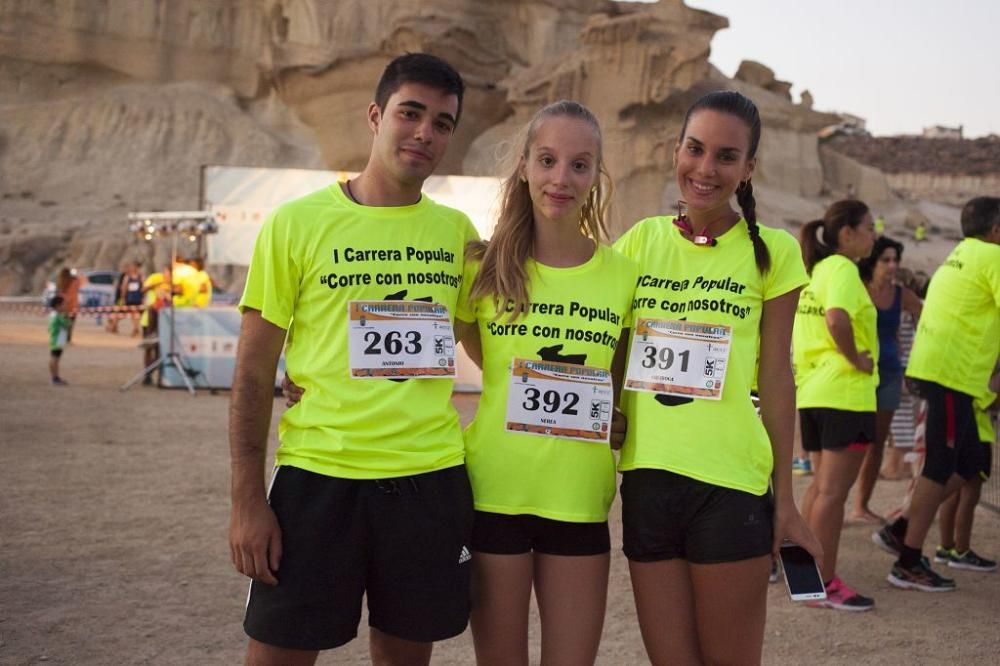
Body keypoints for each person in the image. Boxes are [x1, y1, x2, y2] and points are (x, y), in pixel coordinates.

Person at [230, 53, 478, 665]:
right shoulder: (297, 223)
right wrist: (246, 500)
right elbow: (255, 370)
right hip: (318, 479)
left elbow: (497, 351)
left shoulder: (459, 232)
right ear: (376, 115)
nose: (425, 133)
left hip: (427, 480)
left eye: (442, 123)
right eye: (410, 113)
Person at [613, 91, 820, 664]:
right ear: (675, 150)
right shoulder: (637, 244)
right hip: (648, 483)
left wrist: (788, 499)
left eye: (726, 157)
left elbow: (778, 378)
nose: (706, 170)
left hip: (731, 488)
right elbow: (607, 347)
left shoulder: (773, 252)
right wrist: (610, 409)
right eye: (695, 149)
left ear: (748, 168)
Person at [456, 101, 636, 665]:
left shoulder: (624, 276)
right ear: (525, 167)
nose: (562, 178)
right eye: (548, 160)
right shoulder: (482, 270)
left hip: (579, 499)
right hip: (494, 492)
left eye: (579, 165)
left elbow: (616, 381)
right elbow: (478, 356)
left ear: (596, 177)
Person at [876, 196, 1000, 592]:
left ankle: (902, 527)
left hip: (945, 372)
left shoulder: (960, 254)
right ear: (996, 230)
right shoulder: (992, 257)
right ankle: (908, 560)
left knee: (972, 462)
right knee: (941, 465)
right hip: (951, 374)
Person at [793, 199, 878, 611]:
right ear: (847, 233)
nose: (874, 236)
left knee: (820, 490)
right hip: (844, 393)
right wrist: (857, 359)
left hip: (814, 392)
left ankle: (801, 574)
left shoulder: (817, 271)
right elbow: (837, 320)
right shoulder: (843, 269)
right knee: (832, 494)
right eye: (870, 228)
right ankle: (821, 582)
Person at [850, 236, 922, 523]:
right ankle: (835, 502)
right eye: (886, 260)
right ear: (873, 262)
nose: (892, 266)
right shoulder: (857, 289)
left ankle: (861, 506)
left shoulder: (902, 294)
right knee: (850, 442)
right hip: (857, 372)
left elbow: (929, 319)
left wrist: (915, 355)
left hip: (890, 373)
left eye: (896, 260)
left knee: (877, 443)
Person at [934, 389, 998, 572]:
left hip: (956, 428)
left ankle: (945, 547)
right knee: (970, 495)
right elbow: (991, 402)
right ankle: (962, 550)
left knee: (953, 491)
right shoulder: (982, 368)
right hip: (975, 431)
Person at [47, 294, 72, 385]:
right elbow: (67, 324)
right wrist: (66, 315)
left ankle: (56, 377)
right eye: (64, 304)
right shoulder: (58, 316)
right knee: (55, 359)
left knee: (55, 358)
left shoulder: (54, 315)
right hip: (57, 341)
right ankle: (55, 378)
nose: (66, 306)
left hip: (56, 340)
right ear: (58, 305)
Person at [118, 261, 144, 337]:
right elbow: (124, 287)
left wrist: (143, 297)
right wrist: (123, 297)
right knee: (133, 313)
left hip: (138, 297)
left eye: (134, 267)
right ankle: (135, 328)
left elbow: (143, 287)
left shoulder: (141, 276)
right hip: (130, 297)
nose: (133, 268)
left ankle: (136, 328)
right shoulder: (127, 277)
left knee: (136, 313)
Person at [55, 267, 81, 343]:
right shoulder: (74, 281)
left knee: (62, 323)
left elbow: (58, 295)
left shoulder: (59, 283)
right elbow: (82, 282)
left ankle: (60, 338)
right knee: (70, 324)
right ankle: (68, 339)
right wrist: (75, 276)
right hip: (73, 306)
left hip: (63, 306)